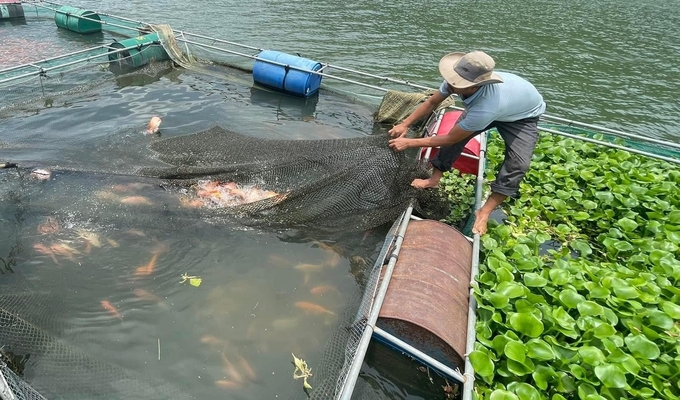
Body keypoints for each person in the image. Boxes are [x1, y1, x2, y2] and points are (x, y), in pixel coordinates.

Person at [388, 50, 546, 235]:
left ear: (474, 86)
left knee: (518, 164)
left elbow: (450, 138)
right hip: (502, 105)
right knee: (455, 138)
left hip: (522, 116)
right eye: (453, 79)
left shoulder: (485, 108)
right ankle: (434, 179)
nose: (450, 84)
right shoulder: (454, 81)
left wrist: (409, 143)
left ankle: (484, 211)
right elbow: (432, 102)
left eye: (458, 84)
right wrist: (405, 124)